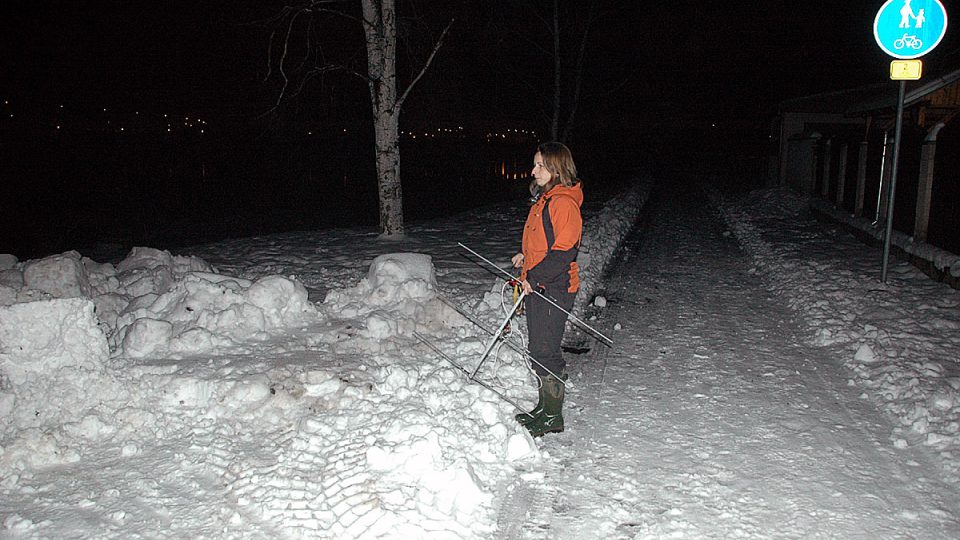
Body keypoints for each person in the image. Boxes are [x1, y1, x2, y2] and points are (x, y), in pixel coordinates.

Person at [511, 141, 583, 437]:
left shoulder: (563, 203)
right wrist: (525, 257)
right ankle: (544, 408)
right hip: (541, 284)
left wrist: (535, 275)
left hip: (554, 287)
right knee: (538, 348)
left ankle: (553, 416)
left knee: (546, 350)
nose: (533, 170)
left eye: (540, 165)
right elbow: (545, 244)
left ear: (556, 168)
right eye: (535, 164)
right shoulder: (546, 199)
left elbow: (564, 252)